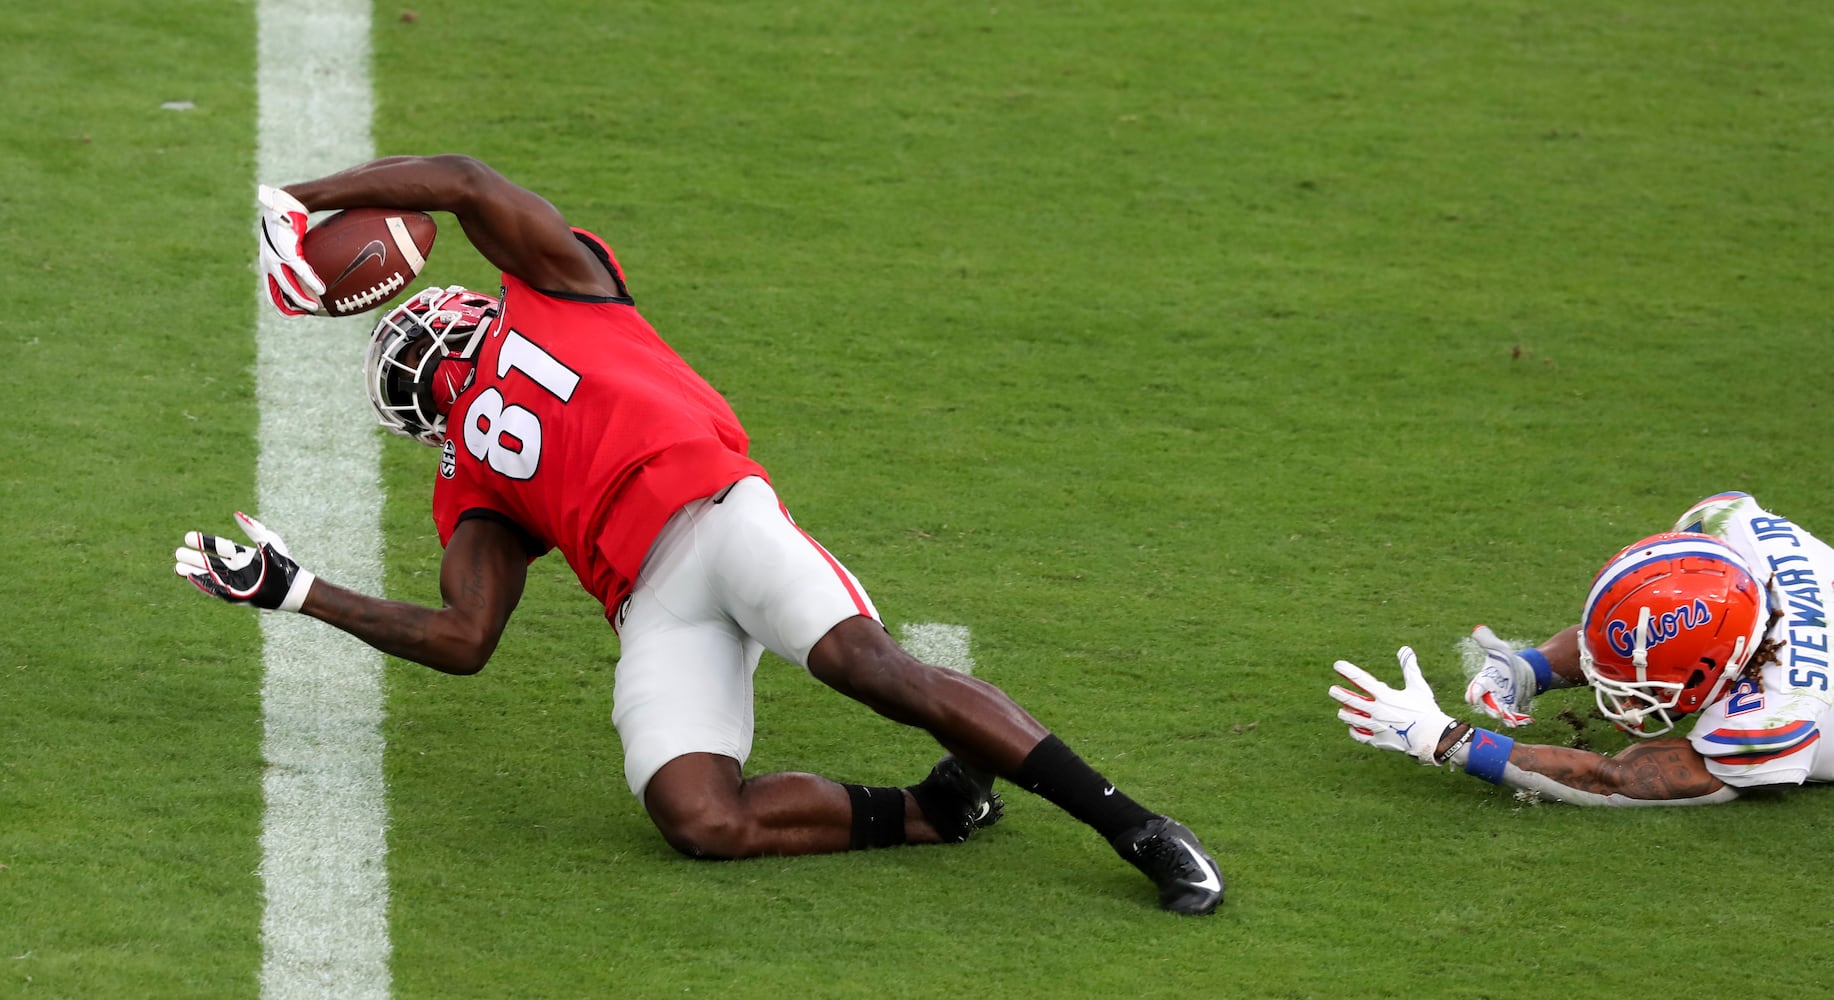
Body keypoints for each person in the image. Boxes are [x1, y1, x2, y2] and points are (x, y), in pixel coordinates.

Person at [176, 154, 1223, 914]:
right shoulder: (471, 472)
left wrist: (301, 198)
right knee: (696, 817)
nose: (423, 352)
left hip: (720, 514)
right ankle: (935, 810)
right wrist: (293, 588)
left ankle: (1138, 826)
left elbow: (460, 178)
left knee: (872, 668)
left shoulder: (561, 291)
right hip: (653, 602)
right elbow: (465, 638)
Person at [1329, 490, 1834, 805]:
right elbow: (1640, 624)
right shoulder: (1731, 537)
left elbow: (1616, 780)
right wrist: (1533, 668)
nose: (1623, 690)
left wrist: (1449, 740)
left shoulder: (1776, 717)